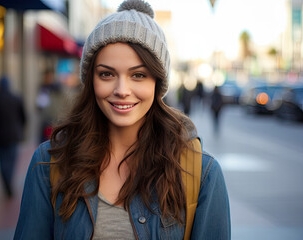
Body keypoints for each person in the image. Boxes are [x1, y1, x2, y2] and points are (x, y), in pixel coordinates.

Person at [14, 0, 230, 239]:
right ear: (91, 80)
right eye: (107, 74)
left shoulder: (201, 172)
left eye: (138, 75)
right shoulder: (49, 164)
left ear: (157, 83)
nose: (122, 89)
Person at [0, 76, 26, 197]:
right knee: (11, 161)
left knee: (2, 162)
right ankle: (9, 182)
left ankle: (6, 182)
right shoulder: (16, 98)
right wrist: (20, 129)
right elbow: (24, 117)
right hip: (13, 135)